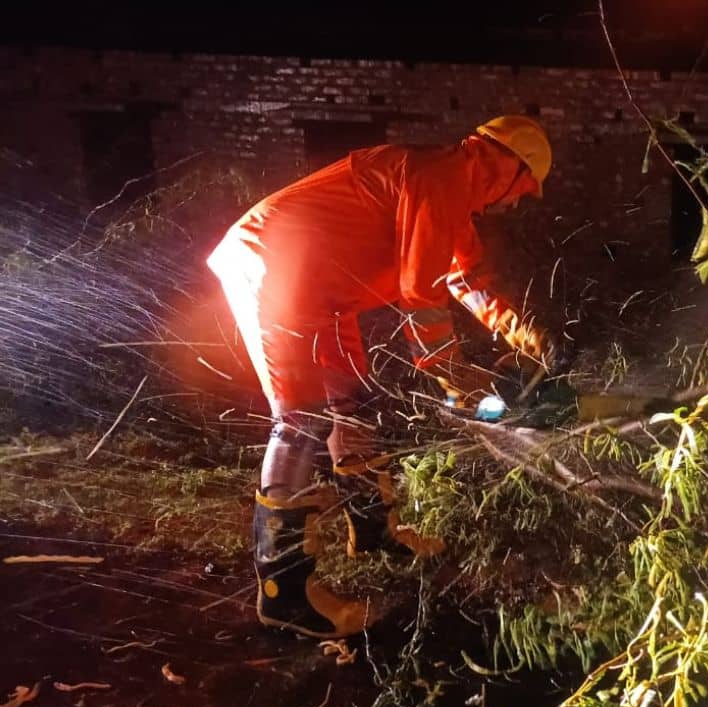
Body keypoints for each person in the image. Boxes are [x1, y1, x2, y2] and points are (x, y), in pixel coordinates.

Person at [207, 115, 564, 638]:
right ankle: (283, 592)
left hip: (321, 291)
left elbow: (463, 276)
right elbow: (421, 294)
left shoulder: (449, 189)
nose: (513, 204)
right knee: (301, 421)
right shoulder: (441, 177)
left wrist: (521, 330)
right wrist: (450, 373)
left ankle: (374, 532)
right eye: (523, 190)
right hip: (274, 267)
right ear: (509, 166)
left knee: (354, 403)